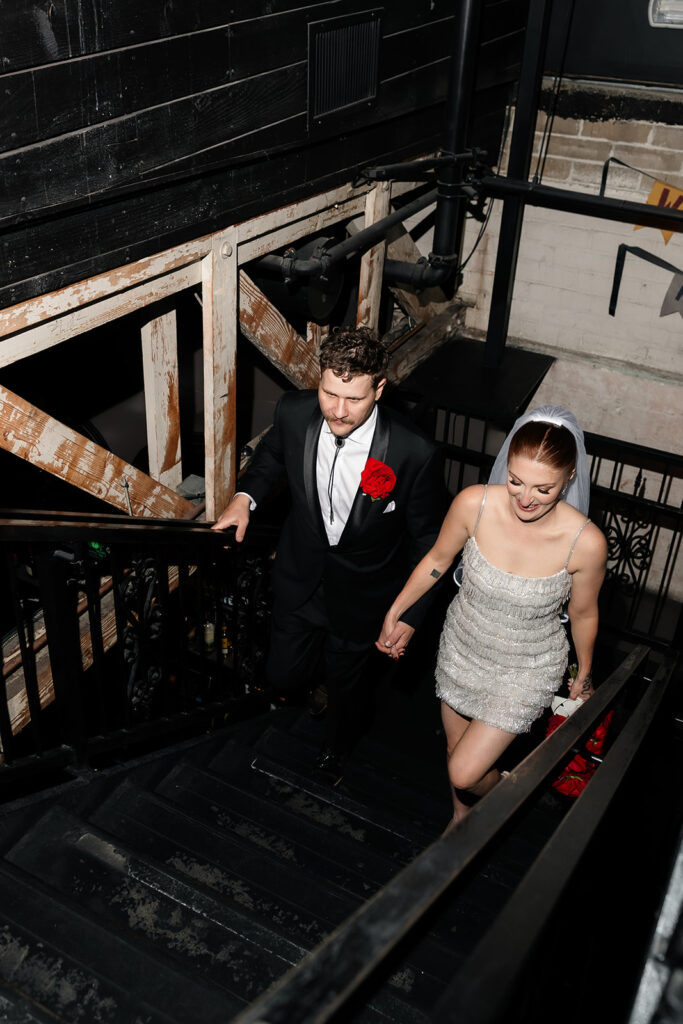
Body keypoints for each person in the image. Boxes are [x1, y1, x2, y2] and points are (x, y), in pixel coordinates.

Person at [212, 326, 446, 781]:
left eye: (354, 399)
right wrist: (245, 498)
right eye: (329, 393)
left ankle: (334, 750)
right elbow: (273, 457)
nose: (337, 411)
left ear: (379, 389)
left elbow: (429, 543)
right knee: (281, 677)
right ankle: (311, 683)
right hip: (300, 578)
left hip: (365, 596)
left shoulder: (414, 452)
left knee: (347, 690)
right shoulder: (294, 412)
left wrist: (411, 614)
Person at [377, 406, 607, 826]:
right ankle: (462, 817)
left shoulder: (586, 542)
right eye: (516, 481)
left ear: (569, 478)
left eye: (543, 488)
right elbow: (437, 560)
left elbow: (584, 612)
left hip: (526, 668)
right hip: (463, 648)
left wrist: (585, 672)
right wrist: (397, 608)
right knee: (455, 753)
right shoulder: (474, 503)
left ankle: (511, 792)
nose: (524, 498)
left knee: (464, 770)